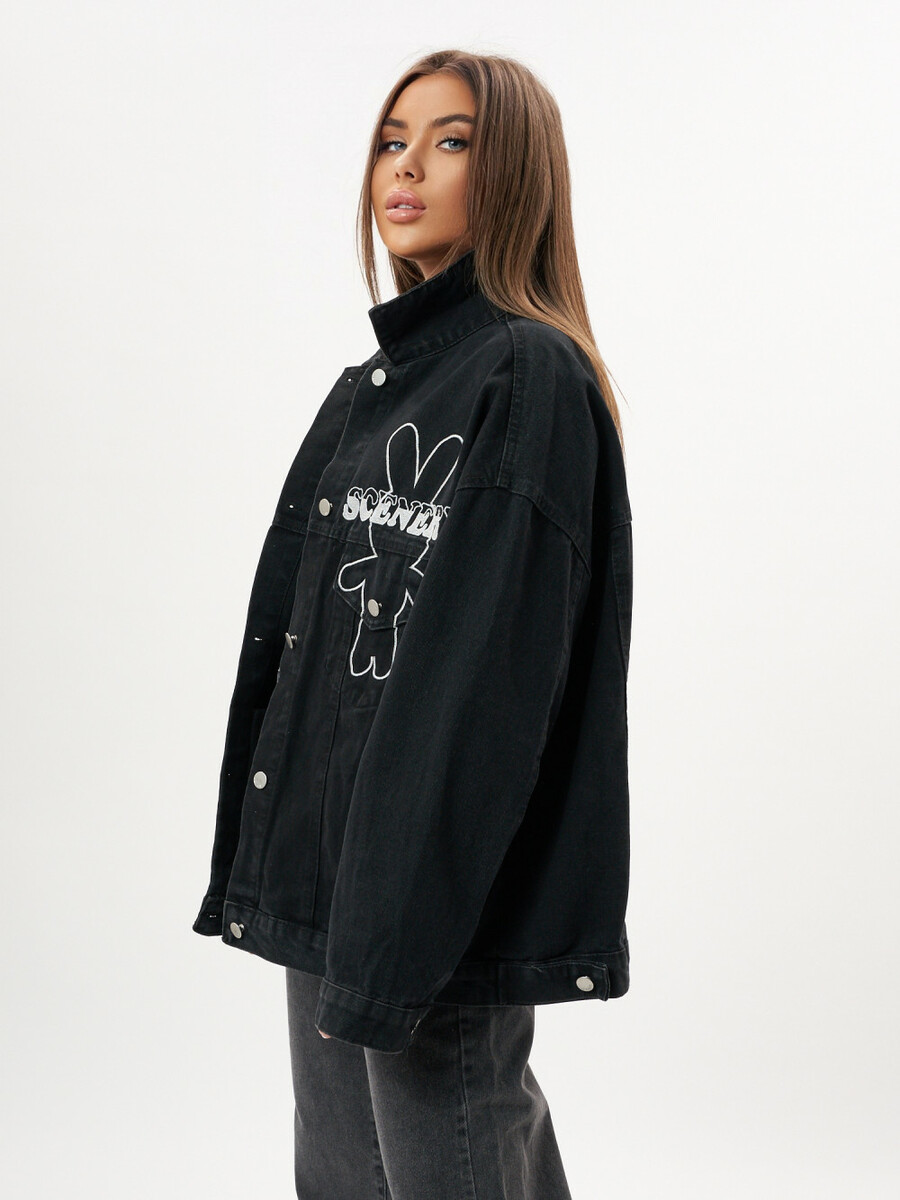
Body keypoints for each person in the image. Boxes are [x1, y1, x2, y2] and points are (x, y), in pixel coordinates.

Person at [192, 48, 633, 1200]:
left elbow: (486, 686)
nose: (407, 168)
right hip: (336, 886)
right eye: (393, 141)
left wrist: (397, 932)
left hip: (430, 903)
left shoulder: (527, 376)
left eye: (450, 143)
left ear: (515, 175)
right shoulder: (376, 388)